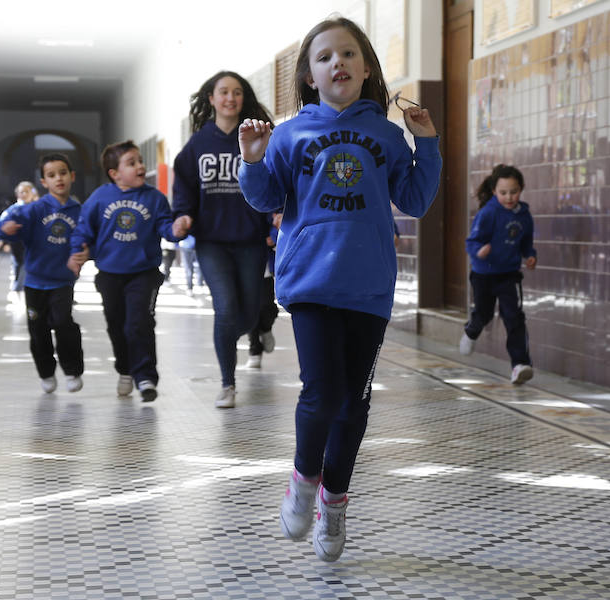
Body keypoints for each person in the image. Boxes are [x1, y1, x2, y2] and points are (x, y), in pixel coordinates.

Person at [238, 16, 441, 562]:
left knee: (353, 403)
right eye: (325, 57)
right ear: (309, 75)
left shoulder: (385, 134)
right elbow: (264, 198)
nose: (338, 64)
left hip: (368, 285)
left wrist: (427, 144)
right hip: (309, 282)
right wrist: (253, 160)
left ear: (366, 67)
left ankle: (336, 499)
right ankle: (304, 480)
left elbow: (416, 201)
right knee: (322, 392)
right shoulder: (290, 133)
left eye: (348, 54)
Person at [171, 70, 275, 409]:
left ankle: (255, 329)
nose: (230, 98)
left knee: (247, 314)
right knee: (225, 309)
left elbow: (273, 180)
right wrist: (183, 215)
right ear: (212, 99)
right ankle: (227, 383)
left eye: (237, 92)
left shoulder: (257, 138)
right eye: (223, 92)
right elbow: (184, 185)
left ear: (243, 98)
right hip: (211, 241)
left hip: (250, 239)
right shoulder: (198, 144)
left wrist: (274, 221)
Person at [68, 140, 179, 403]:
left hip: (144, 272)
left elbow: (166, 227)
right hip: (109, 274)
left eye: (140, 161)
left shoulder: (155, 198)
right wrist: (77, 253)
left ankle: (146, 377)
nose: (140, 166)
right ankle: (125, 369)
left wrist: (177, 229)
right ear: (115, 173)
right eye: (132, 163)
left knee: (139, 322)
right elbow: (83, 229)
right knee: (116, 326)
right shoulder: (99, 198)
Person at [0, 154, 84, 394]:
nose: (59, 179)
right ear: (44, 182)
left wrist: (84, 254)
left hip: (62, 281)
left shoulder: (79, 211)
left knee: (63, 323)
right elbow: (8, 221)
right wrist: (4, 230)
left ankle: (73, 370)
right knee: (38, 330)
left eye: (63, 173)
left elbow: (86, 239)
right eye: (52, 175)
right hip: (35, 281)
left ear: (72, 176)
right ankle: (46, 372)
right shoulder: (35, 209)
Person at [458, 164, 537, 385]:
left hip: (509, 275)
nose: (509, 197)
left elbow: (526, 243)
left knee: (514, 317)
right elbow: (471, 242)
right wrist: (479, 251)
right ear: (494, 191)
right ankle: (472, 331)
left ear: (521, 189)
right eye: (503, 193)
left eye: (514, 192)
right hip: (483, 275)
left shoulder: (524, 215)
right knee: (483, 315)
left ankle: (520, 364)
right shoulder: (488, 213)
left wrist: (530, 256)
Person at [245, 212, 281, 369]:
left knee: (267, 307)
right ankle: (254, 350)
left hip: (264, 265)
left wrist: (273, 238)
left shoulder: (263, 199)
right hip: (242, 263)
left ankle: (266, 328)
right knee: (249, 309)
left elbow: (275, 219)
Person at [0, 181, 38, 304]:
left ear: (32, 193)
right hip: (17, 244)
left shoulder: (37, 208)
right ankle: (18, 288)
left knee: (27, 266)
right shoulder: (12, 210)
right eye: (20, 192)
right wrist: (0, 238)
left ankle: (22, 288)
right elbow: (2, 223)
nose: (23, 194)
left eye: (26, 191)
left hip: (34, 244)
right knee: (18, 265)